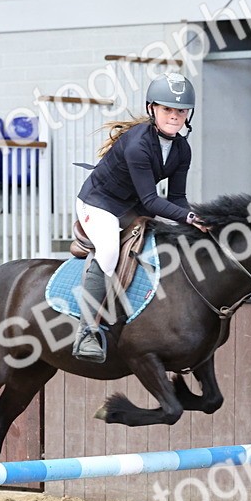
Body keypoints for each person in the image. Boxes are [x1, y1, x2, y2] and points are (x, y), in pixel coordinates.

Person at [72, 72, 209, 363]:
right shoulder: (138, 145)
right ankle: (86, 332)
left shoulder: (182, 148)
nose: (175, 116)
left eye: (181, 110)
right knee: (109, 251)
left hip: (133, 206)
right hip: (99, 204)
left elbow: (176, 199)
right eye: (167, 109)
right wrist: (188, 217)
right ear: (152, 109)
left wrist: (193, 220)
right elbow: (151, 200)